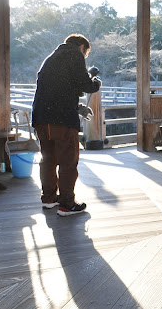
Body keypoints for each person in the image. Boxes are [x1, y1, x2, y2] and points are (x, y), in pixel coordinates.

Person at [32, 34, 102, 216]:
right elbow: (85, 84)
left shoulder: (50, 58)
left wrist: (78, 107)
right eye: (85, 53)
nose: (84, 57)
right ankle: (66, 204)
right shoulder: (74, 55)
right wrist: (96, 84)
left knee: (48, 159)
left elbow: (57, 90)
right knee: (68, 162)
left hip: (41, 117)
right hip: (61, 120)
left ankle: (49, 198)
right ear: (81, 47)